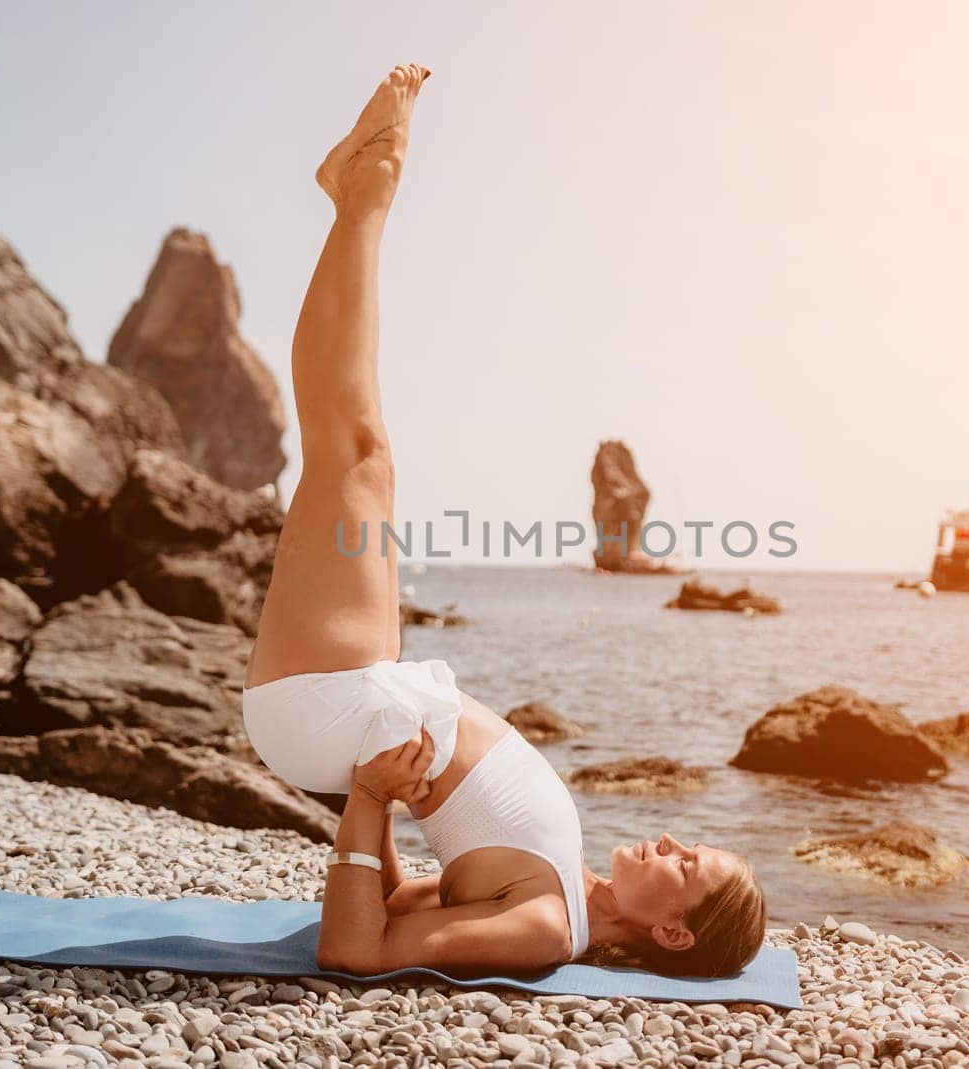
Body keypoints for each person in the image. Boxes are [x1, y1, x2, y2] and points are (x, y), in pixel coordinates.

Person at [241, 64, 766, 979]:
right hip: (350, 707)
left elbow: (355, 951)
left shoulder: (546, 930)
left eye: (690, 866)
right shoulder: (557, 889)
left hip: (335, 708)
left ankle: (361, 199)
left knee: (355, 453)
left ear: (673, 932)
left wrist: (367, 796)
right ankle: (355, 201)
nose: (677, 840)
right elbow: (396, 904)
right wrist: (382, 809)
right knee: (357, 453)